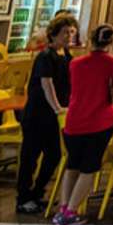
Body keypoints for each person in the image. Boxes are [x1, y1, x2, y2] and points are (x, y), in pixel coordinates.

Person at [54, 24, 113, 225]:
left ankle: (63, 207)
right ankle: (71, 211)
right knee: (90, 167)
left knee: (72, 165)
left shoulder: (76, 63)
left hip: (73, 121)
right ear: (111, 42)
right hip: (99, 122)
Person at [16, 15, 76, 214]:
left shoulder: (67, 56)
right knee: (30, 157)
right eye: (65, 32)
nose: (69, 36)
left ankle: (37, 192)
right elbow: (46, 83)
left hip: (54, 117)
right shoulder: (45, 56)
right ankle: (23, 197)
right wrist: (57, 107)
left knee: (54, 155)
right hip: (37, 114)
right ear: (54, 34)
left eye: (72, 32)